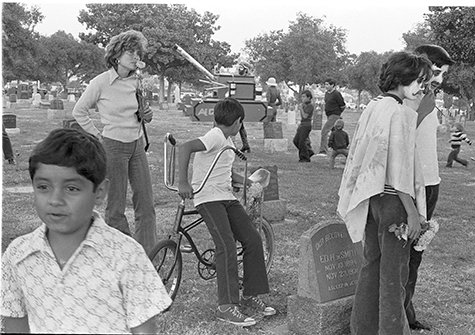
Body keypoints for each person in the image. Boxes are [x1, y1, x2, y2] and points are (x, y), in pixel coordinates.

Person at [0, 128, 171, 334]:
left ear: (99, 193)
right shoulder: (18, 255)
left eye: (71, 188)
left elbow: (144, 331)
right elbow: (15, 326)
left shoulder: (126, 255)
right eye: (43, 187)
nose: (55, 200)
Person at [337, 51, 432, 335]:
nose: (421, 88)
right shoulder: (401, 112)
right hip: (394, 200)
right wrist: (412, 213)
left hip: (371, 197)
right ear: (402, 78)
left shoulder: (373, 106)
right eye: (418, 81)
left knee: (372, 267)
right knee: (393, 275)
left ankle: (362, 329)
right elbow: (399, 168)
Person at [178, 98, 275, 327]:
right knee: (226, 245)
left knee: (252, 239)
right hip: (209, 199)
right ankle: (226, 306)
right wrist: (183, 182)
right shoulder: (215, 136)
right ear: (239, 121)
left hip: (225, 197)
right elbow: (185, 147)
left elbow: (224, 172)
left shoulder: (227, 141)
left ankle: (251, 295)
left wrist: (248, 182)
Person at [72, 30, 156, 254]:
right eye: (130, 51)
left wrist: (146, 114)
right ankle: (122, 251)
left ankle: (147, 256)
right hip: (113, 146)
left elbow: (143, 114)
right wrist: (97, 135)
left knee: (146, 203)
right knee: (116, 207)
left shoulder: (137, 81)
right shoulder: (101, 82)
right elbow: (79, 111)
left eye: (137, 52)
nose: (135, 56)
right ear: (116, 55)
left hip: (137, 145)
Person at [404, 44, 455, 331]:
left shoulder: (429, 97)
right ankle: (400, 312)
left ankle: (405, 310)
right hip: (415, 184)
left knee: (415, 253)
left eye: (442, 75)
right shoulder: (415, 98)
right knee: (407, 253)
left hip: (430, 181)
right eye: (435, 72)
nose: (438, 80)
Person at [318, 79, 346, 156]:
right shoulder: (326, 93)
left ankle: (323, 151)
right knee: (335, 132)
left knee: (324, 131)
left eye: (327, 84)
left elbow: (343, 105)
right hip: (329, 115)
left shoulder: (336, 94)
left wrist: (338, 113)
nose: (326, 86)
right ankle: (339, 149)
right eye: (325, 84)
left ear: (332, 85)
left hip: (334, 115)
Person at [293, 90, 315, 162]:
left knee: (302, 141)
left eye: (304, 97)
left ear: (309, 98)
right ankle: (308, 151)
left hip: (306, 125)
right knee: (296, 140)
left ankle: (304, 158)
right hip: (302, 124)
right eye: (302, 97)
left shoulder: (310, 106)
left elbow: (305, 116)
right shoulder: (304, 105)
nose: (302, 98)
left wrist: (301, 109)